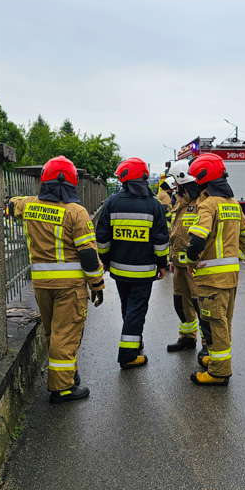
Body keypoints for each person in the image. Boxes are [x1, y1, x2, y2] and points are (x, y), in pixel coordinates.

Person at [12, 156, 104, 404]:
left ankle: (68, 374)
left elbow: (11, 205)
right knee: (67, 333)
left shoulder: (29, 205)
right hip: (70, 287)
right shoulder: (76, 212)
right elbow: (88, 255)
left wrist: (15, 202)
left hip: (41, 284)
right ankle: (62, 388)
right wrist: (97, 285)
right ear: (72, 182)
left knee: (55, 332)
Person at [183, 153, 245, 386]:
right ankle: (216, 361)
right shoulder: (233, 204)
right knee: (224, 321)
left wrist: (192, 261)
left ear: (204, 178)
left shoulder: (208, 204)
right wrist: (235, 260)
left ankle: (219, 372)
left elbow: (197, 241)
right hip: (230, 277)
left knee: (215, 323)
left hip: (211, 279)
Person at [95, 157, 170, 370]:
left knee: (128, 307)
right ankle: (128, 355)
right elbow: (161, 241)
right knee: (136, 309)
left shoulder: (112, 202)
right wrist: (162, 264)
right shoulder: (154, 206)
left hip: (119, 270)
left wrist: (106, 261)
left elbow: (102, 238)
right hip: (144, 271)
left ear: (125, 180)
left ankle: (134, 339)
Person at [165, 159, 211, 359]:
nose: (174, 186)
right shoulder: (180, 202)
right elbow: (176, 233)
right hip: (179, 265)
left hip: (196, 266)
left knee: (201, 306)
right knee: (180, 303)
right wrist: (171, 259)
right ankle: (187, 337)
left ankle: (207, 344)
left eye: (176, 182)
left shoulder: (203, 202)